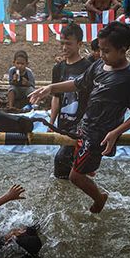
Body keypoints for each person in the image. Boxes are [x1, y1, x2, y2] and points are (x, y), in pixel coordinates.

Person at [30, 22, 130, 213]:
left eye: (106, 51)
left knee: (75, 177)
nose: (101, 54)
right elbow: (78, 83)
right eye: (100, 49)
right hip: (84, 126)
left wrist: (116, 132)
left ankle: (99, 197)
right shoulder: (100, 66)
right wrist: (51, 88)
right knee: (79, 165)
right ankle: (88, 169)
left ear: (123, 50)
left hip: (100, 134)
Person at [49, 23, 92, 180]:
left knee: (61, 162)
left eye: (68, 43)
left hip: (80, 125)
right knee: (71, 165)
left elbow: (92, 99)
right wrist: (52, 122)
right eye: (62, 43)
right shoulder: (58, 68)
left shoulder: (88, 68)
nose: (64, 47)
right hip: (63, 123)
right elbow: (55, 96)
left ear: (79, 44)